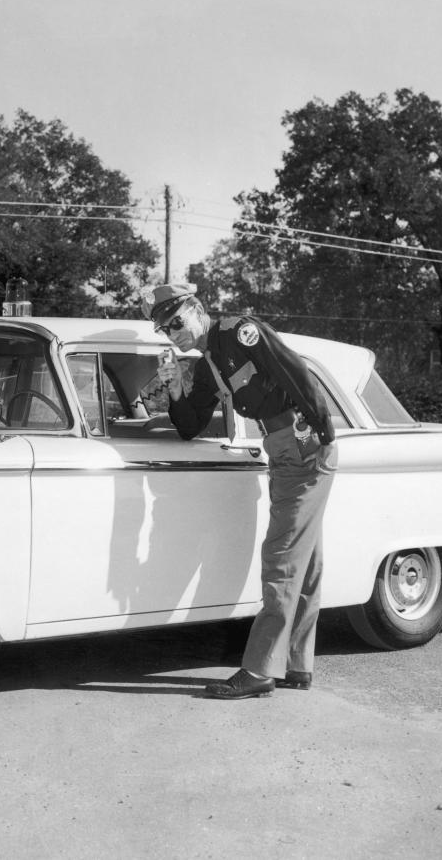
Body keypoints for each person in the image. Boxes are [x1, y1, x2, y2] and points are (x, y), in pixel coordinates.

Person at [142, 283, 338, 700]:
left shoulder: (238, 332)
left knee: (281, 559)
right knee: (305, 561)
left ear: (196, 310)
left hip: (302, 444)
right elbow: (190, 425)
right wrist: (174, 385)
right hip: (282, 448)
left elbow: (293, 369)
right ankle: (297, 666)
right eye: (165, 330)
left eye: (176, 322)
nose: (174, 333)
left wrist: (321, 431)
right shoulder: (207, 362)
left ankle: (259, 669)